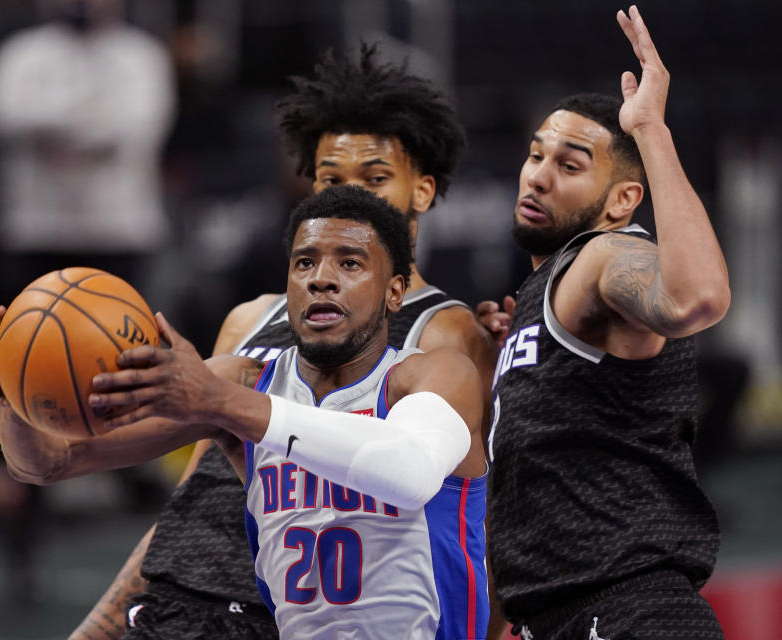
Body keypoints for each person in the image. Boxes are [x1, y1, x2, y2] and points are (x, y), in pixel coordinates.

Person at [64, 42, 496, 639]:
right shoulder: (253, 320)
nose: (355, 197)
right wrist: (103, 620)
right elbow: (201, 482)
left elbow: (460, 501)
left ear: (421, 191)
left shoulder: (444, 332)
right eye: (330, 178)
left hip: (295, 605)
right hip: (187, 589)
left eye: (375, 178)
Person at [0, 185, 491, 639]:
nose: (322, 280)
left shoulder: (434, 376)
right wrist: (16, 399)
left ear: (395, 292)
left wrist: (218, 401)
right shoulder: (244, 381)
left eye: (350, 263)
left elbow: (409, 472)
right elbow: (49, 462)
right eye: (305, 263)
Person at [478, 7, 731, 640]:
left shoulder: (602, 255)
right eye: (536, 155)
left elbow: (697, 298)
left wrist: (649, 130)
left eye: (569, 165)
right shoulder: (540, 297)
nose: (537, 175)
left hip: (630, 609)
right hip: (559, 615)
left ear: (622, 201)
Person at [0, 0, 175, 297]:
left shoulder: (142, 55)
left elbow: (136, 128)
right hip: (35, 229)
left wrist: (49, 122)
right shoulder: (21, 53)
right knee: (26, 337)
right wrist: (90, 116)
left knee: (121, 339)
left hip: (118, 230)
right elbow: (4, 117)